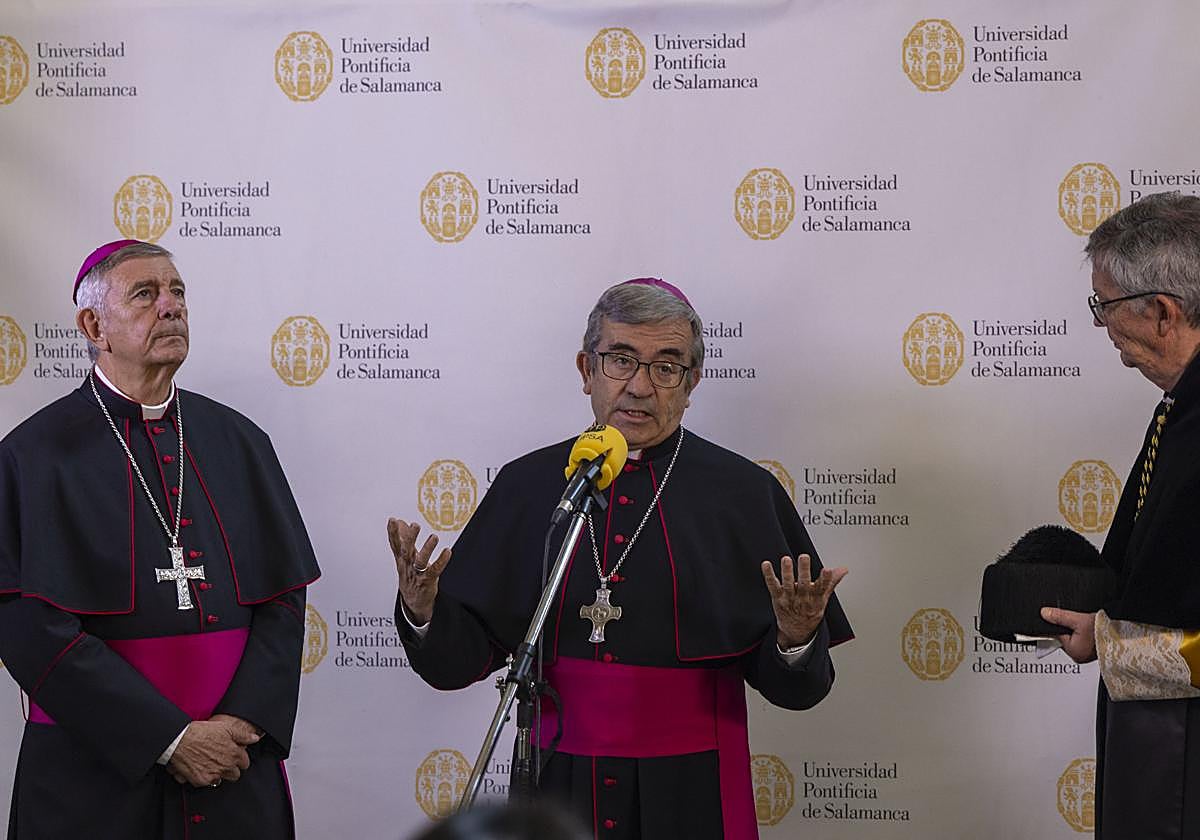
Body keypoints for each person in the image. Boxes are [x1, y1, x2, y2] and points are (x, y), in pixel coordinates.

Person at [389, 278, 852, 839]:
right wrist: (425, 611)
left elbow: (797, 692)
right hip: (555, 777)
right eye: (621, 360)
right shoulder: (528, 484)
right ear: (587, 369)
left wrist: (796, 638)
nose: (639, 386)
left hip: (693, 787)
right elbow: (457, 665)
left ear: (691, 383)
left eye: (665, 366)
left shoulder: (744, 494)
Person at [0, 240, 321, 838]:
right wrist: (168, 738)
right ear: (95, 325)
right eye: (145, 294)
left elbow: (283, 600)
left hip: (233, 766)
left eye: (177, 292)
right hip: (93, 774)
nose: (170, 306)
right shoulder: (33, 456)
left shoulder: (239, 441)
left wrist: (241, 723)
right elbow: (26, 626)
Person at [1042, 192, 1200, 838]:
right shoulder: (1179, 408)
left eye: (1103, 306)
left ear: (1162, 312)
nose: (1102, 324)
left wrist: (1109, 646)